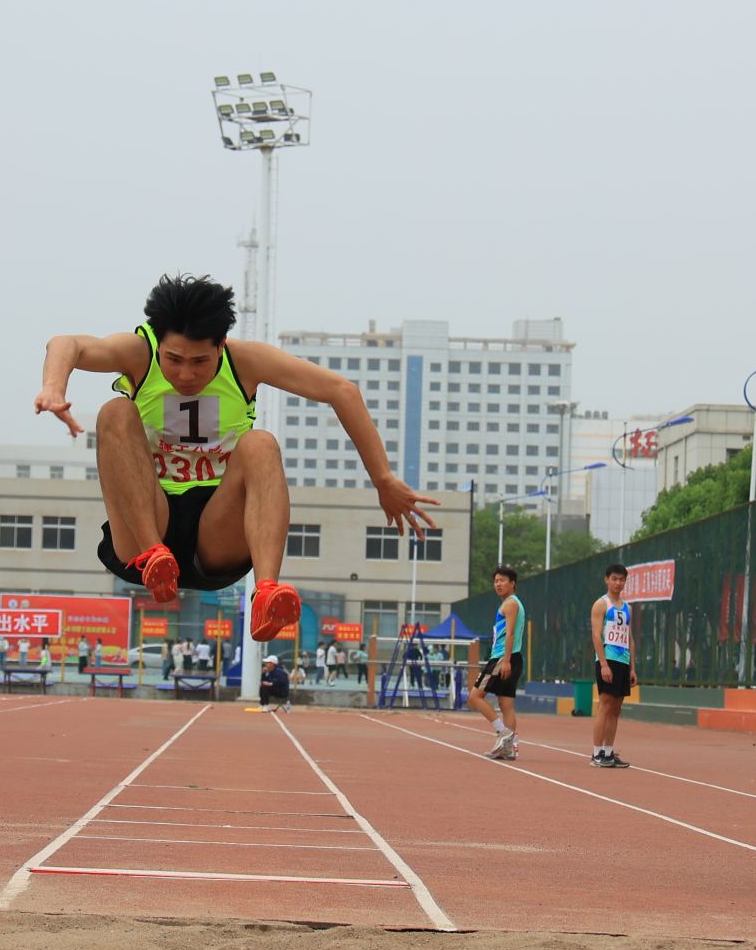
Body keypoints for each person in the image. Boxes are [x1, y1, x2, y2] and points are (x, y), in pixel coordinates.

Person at [35, 274, 436, 643]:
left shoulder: (245, 361)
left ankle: (266, 592)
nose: (186, 375)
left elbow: (341, 391)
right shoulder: (138, 353)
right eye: (174, 360)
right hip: (146, 525)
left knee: (260, 443)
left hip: (217, 527)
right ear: (158, 343)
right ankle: (155, 555)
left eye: (200, 362)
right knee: (115, 412)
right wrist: (54, 387)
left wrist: (383, 479)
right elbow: (65, 343)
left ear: (221, 345)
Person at [473, 567, 524, 761]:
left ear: (513, 583)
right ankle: (508, 749)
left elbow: (510, 633)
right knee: (506, 704)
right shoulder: (512, 603)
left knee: (475, 696)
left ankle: (504, 733)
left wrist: (506, 660)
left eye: (502, 580)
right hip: (513, 656)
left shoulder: (510, 604)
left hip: (503, 657)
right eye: (496, 581)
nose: (498, 584)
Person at [587, 565, 633, 769]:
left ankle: (608, 752)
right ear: (607, 579)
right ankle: (597, 753)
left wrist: (632, 668)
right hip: (608, 659)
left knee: (616, 708)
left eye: (621, 579)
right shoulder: (601, 604)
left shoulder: (628, 608)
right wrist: (604, 663)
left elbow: (630, 638)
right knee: (605, 705)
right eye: (614, 579)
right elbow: (596, 635)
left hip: (623, 660)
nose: (618, 583)